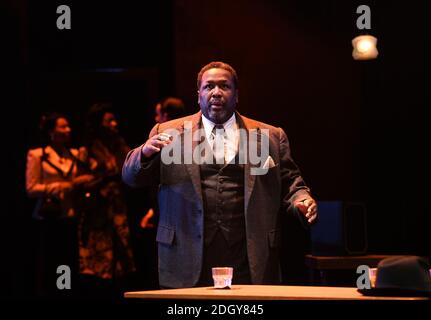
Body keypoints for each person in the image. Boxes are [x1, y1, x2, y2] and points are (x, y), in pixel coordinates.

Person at [122, 61, 318, 288]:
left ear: (236, 95)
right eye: (208, 87)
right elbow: (131, 178)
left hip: (249, 253)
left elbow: (291, 183)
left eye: (224, 86)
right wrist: (144, 154)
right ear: (198, 95)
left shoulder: (267, 136)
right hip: (186, 252)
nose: (216, 92)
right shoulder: (169, 133)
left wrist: (302, 200)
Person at [26, 112, 93, 298]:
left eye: (68, 126)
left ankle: (65, 292)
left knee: (68, 260)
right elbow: (31, 188)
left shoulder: (74, 154)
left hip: (70, 214)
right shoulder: (38, 155)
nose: (68, 130)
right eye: (62, 126)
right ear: (51, 131)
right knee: (50, 260)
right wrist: (59, 187)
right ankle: (49, 293)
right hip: (48, 217)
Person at [78, 103, 135, 297]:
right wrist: (102, 179)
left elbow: (132, 170)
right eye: (109, 120)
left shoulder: (120, 146)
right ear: (99, 124)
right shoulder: (87, 150)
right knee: (98, 264)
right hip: (97, 213)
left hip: (117, 210)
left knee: (120, 263)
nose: (114, 124)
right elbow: (78, 182)